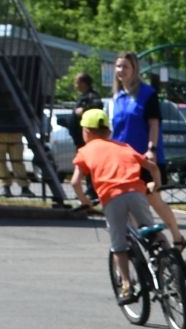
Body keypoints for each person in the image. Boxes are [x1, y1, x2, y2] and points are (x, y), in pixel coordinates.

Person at [70, 108, 165, 301]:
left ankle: (127, 286)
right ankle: (172, 260)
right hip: (137, 194)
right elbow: (152, 167)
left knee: (119, 244)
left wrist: (85, 202)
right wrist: (155, 185)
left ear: (86, 132)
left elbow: (75, 182)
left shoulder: (85, 151)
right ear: (108, 131)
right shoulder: (124, 147)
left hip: (111, 198)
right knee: (150, 230)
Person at [109, 52, 186, 250]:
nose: (121, 71)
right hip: (123, 160)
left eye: (125, 67)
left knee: (154, 201)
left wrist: (151, 149)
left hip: (144, 158)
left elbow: (154, 125)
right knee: (132, 204)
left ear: (135, 69)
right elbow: (115, 130)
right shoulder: (116, 97)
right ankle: (147, 243)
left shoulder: (147, 94)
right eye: (118, 66)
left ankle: (177, 237)